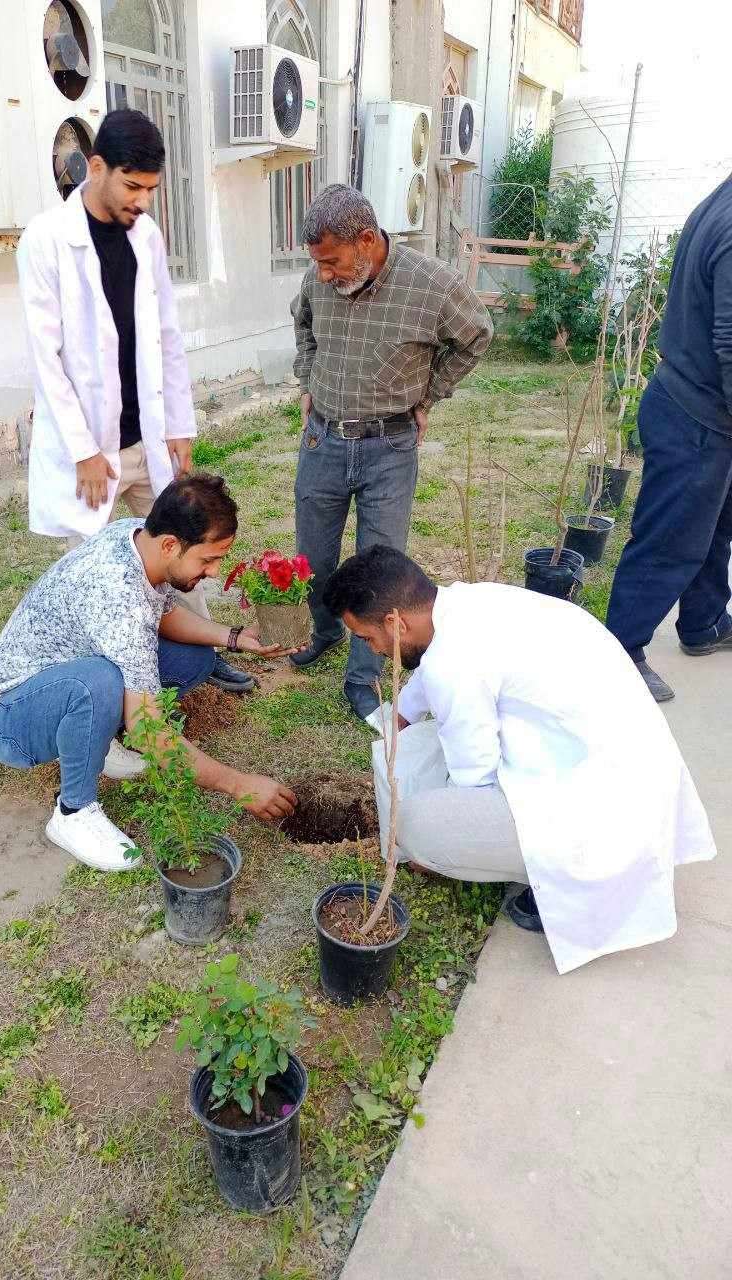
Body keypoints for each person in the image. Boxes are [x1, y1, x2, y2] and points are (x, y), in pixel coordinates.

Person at [323, 545, 716, 975]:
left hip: (606, 821)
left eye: (368, 638)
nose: (373, 650)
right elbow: (431, 685)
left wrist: (435, 848)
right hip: (635, 779)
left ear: (396, 623)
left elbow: (472, 780)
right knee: (426, 745)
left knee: (416, 824)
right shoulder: (467, 604)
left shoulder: (453, 665)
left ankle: (550, 876)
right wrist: (399, 717)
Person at [16, 107, 251, 697]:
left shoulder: (146, 237)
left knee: (183, 550)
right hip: (93, 450)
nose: (143, 201)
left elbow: (167, 336)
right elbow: (47, 359)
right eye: (132, 186)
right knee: (103, 577)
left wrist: (179, 423)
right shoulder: (46, 240)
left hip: (147, 437)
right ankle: (114, 688)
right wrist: (84, 451)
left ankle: (205, 652)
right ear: (95, 168)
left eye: (151, 189)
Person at [0, 475, 297, 871]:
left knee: (195, 660)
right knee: (98, 682)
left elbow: (164, 614)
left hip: (59, 678)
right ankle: (73, 812)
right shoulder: (118, 597)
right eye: (207, 560)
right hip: (9, 719)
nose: (214, 572)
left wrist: (235, 637)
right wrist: (240, 784)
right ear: (171, 545)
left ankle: (98, 738)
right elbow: (149, 731)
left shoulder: (138, 536)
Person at [290, 184, 493, 720]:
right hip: (323, 440)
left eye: (332, 262)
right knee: (314, 557)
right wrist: (308, 378)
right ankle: (325, 630)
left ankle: (364, 675)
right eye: (318, 263)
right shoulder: (318, 278)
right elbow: (302, 325)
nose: (323, 275)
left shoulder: (431, 284)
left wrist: (430, 392)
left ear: (366, 240)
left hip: (391, 446)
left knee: (378, 571)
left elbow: (476, 336)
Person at [605, 174, 732, 702]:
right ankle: (620, 652)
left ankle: (705, 621)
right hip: (695, 414)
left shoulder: (721, 198)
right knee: (669, 540)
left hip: (700, 405)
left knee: (716, 526)